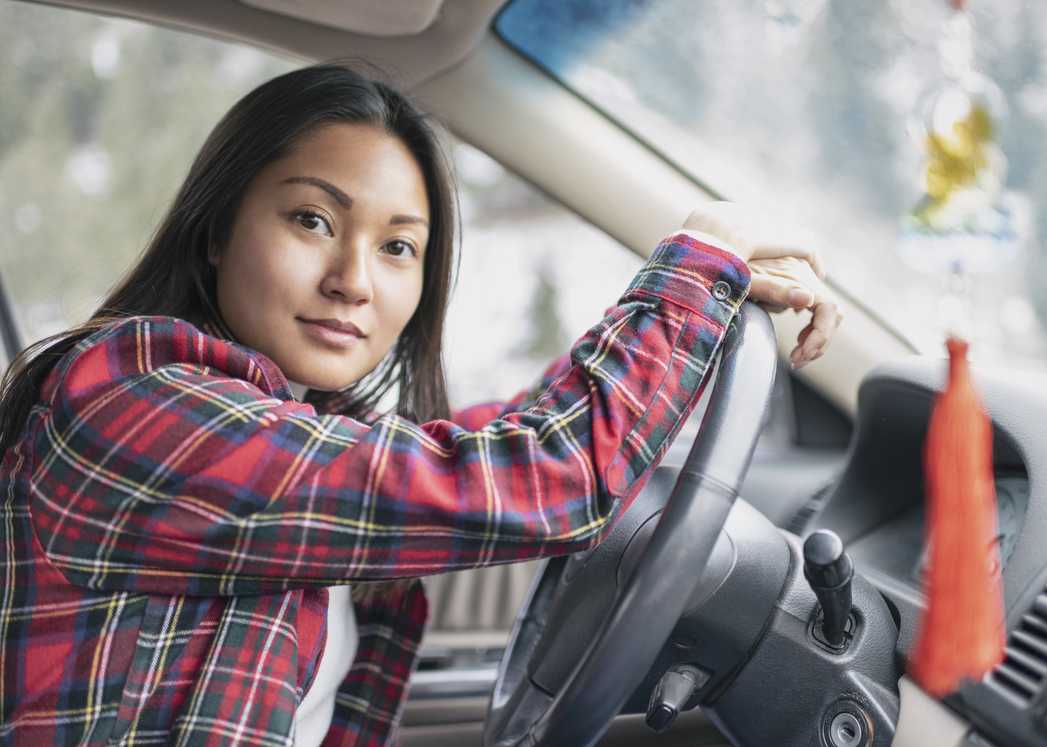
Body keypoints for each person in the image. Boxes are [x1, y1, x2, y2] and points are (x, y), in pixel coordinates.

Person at [0, 63, 839, 746]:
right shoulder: (130, 399)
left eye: (397, 246)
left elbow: (496, 440)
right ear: (219, 230)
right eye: (312, 220)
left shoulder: (306, 434)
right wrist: (696, 266)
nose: (353, 281)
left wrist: (710, 296)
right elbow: (544, 473)